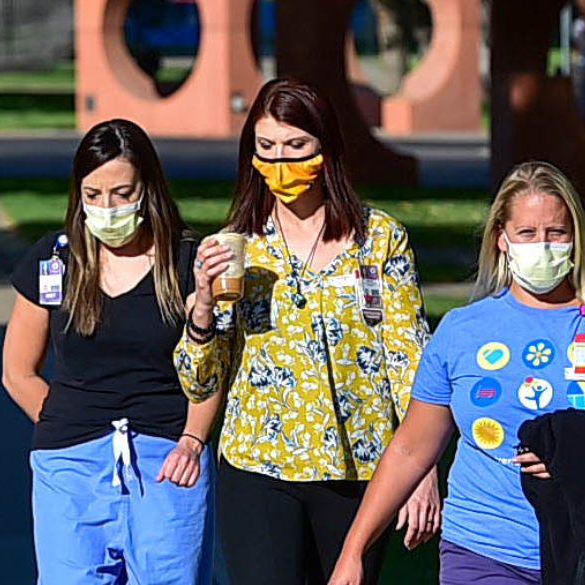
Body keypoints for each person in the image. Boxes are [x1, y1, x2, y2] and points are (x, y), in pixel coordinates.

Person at [327, 162, 585, 585]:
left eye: (556, 233)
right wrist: (354, 550)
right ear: (502, 238)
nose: (543, 245)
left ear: (576, 236)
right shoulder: (462, 330)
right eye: (527, 233)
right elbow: (411, 448)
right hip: (483, 552)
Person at [175, 77, 436, 585]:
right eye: (266, 148)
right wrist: (202, 306)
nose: (281, 163)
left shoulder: (379, 239)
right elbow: (201, 380)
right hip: (258, 466)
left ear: (326, 148)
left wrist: (422, 467)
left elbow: (409, 358)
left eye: (296, 146)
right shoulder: (237, 245)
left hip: (360, 465)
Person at [2, 118, 218, 585]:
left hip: (168, 460)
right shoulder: (53, 261)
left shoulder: (187, 262)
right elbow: (17, 371)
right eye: (93, 195)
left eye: (123, 193)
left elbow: (213, 369)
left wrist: (192, 441)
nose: (107, 207)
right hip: (70, 463)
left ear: (149, 190)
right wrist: (67, 422)